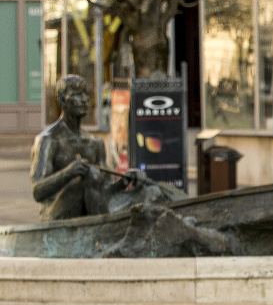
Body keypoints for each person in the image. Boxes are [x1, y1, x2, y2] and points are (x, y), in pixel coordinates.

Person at [31, 75, 179, 221]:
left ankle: (123, 233)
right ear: (62, 100)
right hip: (57, 212)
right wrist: (68, 173)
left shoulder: (94, 142)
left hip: (94, 209)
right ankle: (104, 232)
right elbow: (37, 191)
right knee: (90, 175)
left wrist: (124, 181)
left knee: (151, 193)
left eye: (86, 95)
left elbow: (104, 189)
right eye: (77, 95)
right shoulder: (49, 140)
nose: (84, 100)